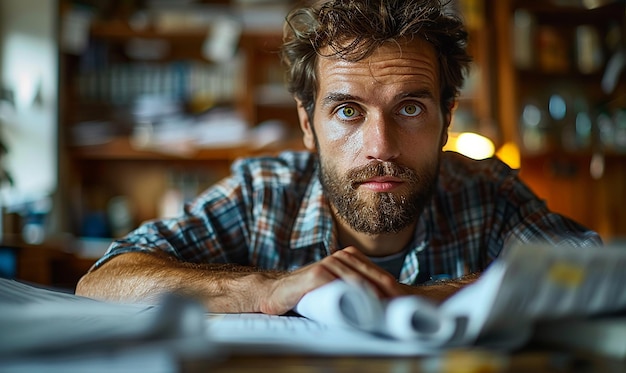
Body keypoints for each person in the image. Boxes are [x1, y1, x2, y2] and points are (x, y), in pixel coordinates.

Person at [75, 0, 601, 314]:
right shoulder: (262, 193)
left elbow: (596, 271)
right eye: (348, 111)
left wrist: (435, 296)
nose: (381, 145)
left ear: (447, 118)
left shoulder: (487, 191)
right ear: (308, 124)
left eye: (411, 107)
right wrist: (264, 288)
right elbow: (103, 280)